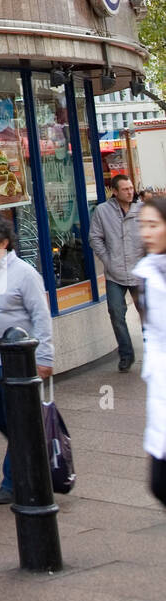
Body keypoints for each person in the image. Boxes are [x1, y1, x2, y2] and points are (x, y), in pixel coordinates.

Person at [0, 217, 53, 505]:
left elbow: (41, 316)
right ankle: (34, 452)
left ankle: (13, 481)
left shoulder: (24, 274)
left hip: (16, 364)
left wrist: (44, 357)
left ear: (4, 244)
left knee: (18, 421)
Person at [89, 174, 144, 371]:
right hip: (115, 274)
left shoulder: (142, 210)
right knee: (116, 313)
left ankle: (155, 352)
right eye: (125, 189)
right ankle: (126, 355)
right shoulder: (102, 211)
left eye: (131, 188)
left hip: (139, 273)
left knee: (146, 315)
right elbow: (95, 238)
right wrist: (108, 260)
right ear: (114, 192)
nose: (130, 192)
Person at [133, 195, 166, 508]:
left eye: (153, 225)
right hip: (161, 391)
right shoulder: (149, 273)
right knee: (159, 485)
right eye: (143, 225)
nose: (146, 233)